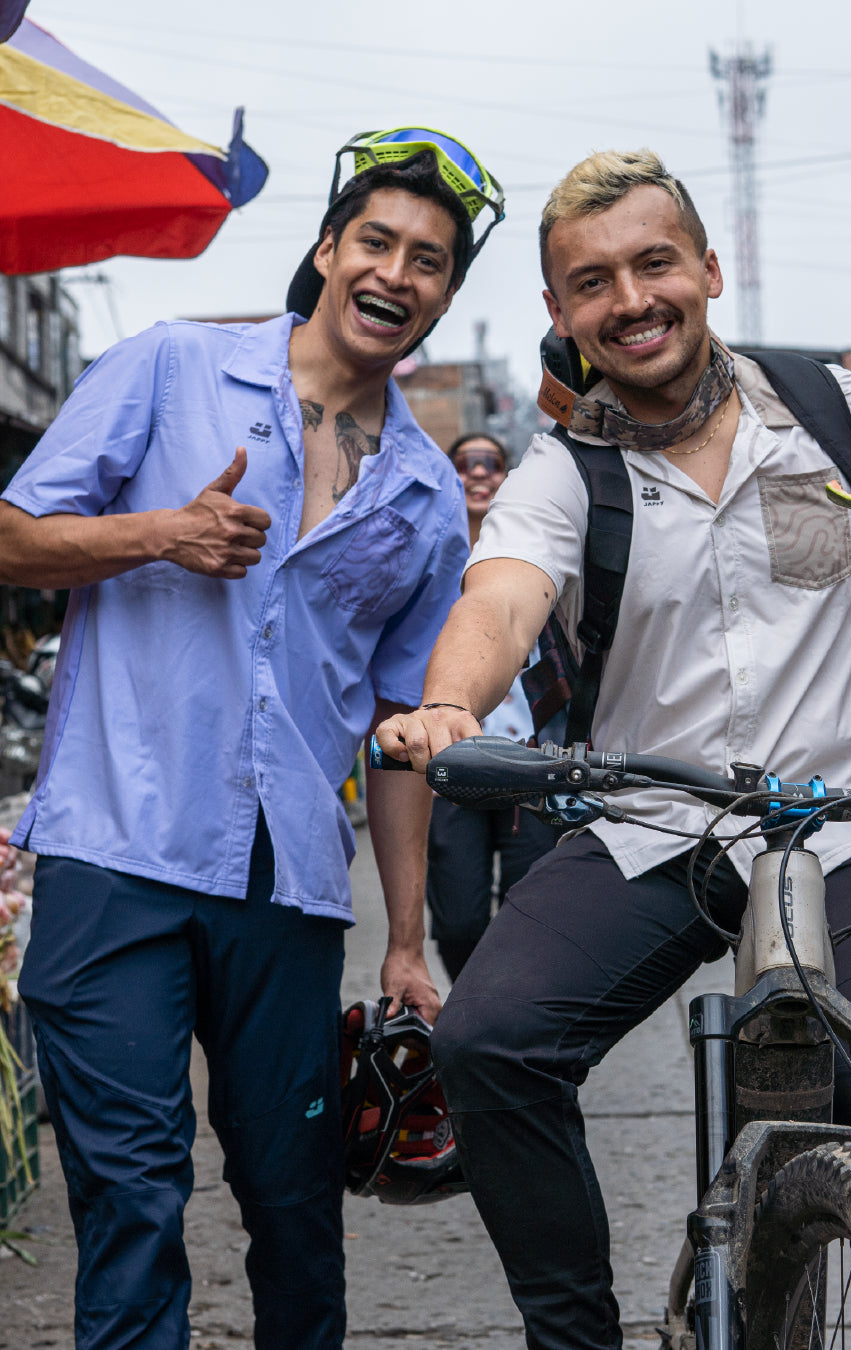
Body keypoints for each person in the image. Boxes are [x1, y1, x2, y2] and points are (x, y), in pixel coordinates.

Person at [376, 149, 851, 1350]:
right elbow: (503, 601)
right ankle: (577, 1331)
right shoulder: (565, 470)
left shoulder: (828, 409)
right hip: (651, 823)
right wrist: (452, 706)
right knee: (487, 1040)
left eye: (654, 262)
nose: (631, 299)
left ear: (707, 270)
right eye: (592, 281)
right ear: (563, 312)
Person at [0, 126, 503, 1350]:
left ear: (443, 292)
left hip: (285, 885)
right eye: (375, 241)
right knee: (131, 1195)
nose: (396, 273)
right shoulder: (170, 368)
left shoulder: (431, 497)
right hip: (114, 850)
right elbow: (14, 537)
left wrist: (405, 945)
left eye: (428, 260)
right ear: (329, 250)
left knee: (293, 1207)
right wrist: (159, 533)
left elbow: (399, 733)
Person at [426, 433, 556, 979]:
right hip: (453, 758)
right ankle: (471, 999)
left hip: (531, 760)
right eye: (465, 465)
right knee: (457, 920)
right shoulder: (429, 558)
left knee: (528, 914)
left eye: (492, 464)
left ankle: (508, 1011)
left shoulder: (544, 550)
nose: (478, 475)